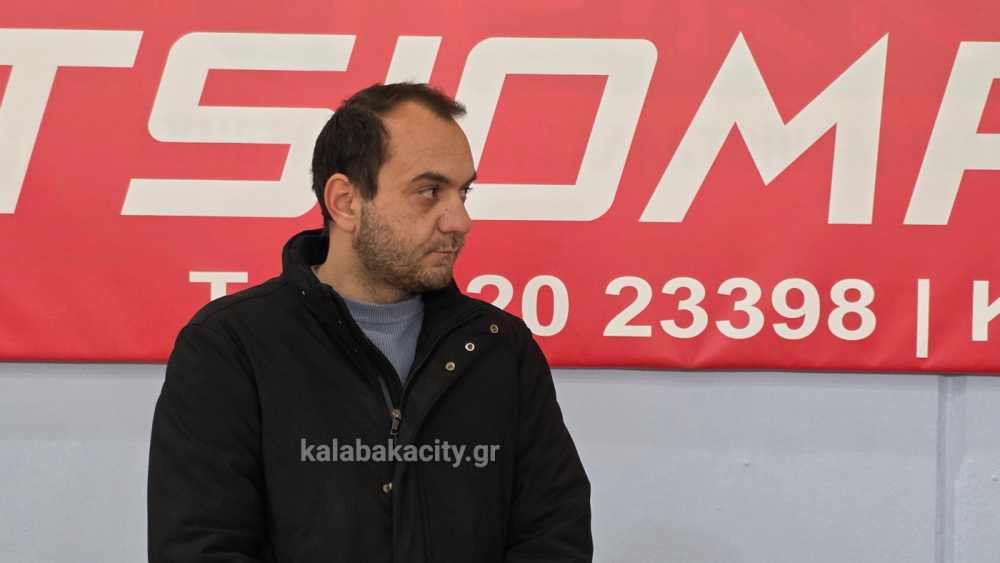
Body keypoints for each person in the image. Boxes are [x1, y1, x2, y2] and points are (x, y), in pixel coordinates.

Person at [147, 82, 592, 562]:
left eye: (462, 191)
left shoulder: (499, 348)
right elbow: (199, 547)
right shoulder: (230, 348)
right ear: (345, 202)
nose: (459, 220)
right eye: (429, 191)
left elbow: (554, 536)